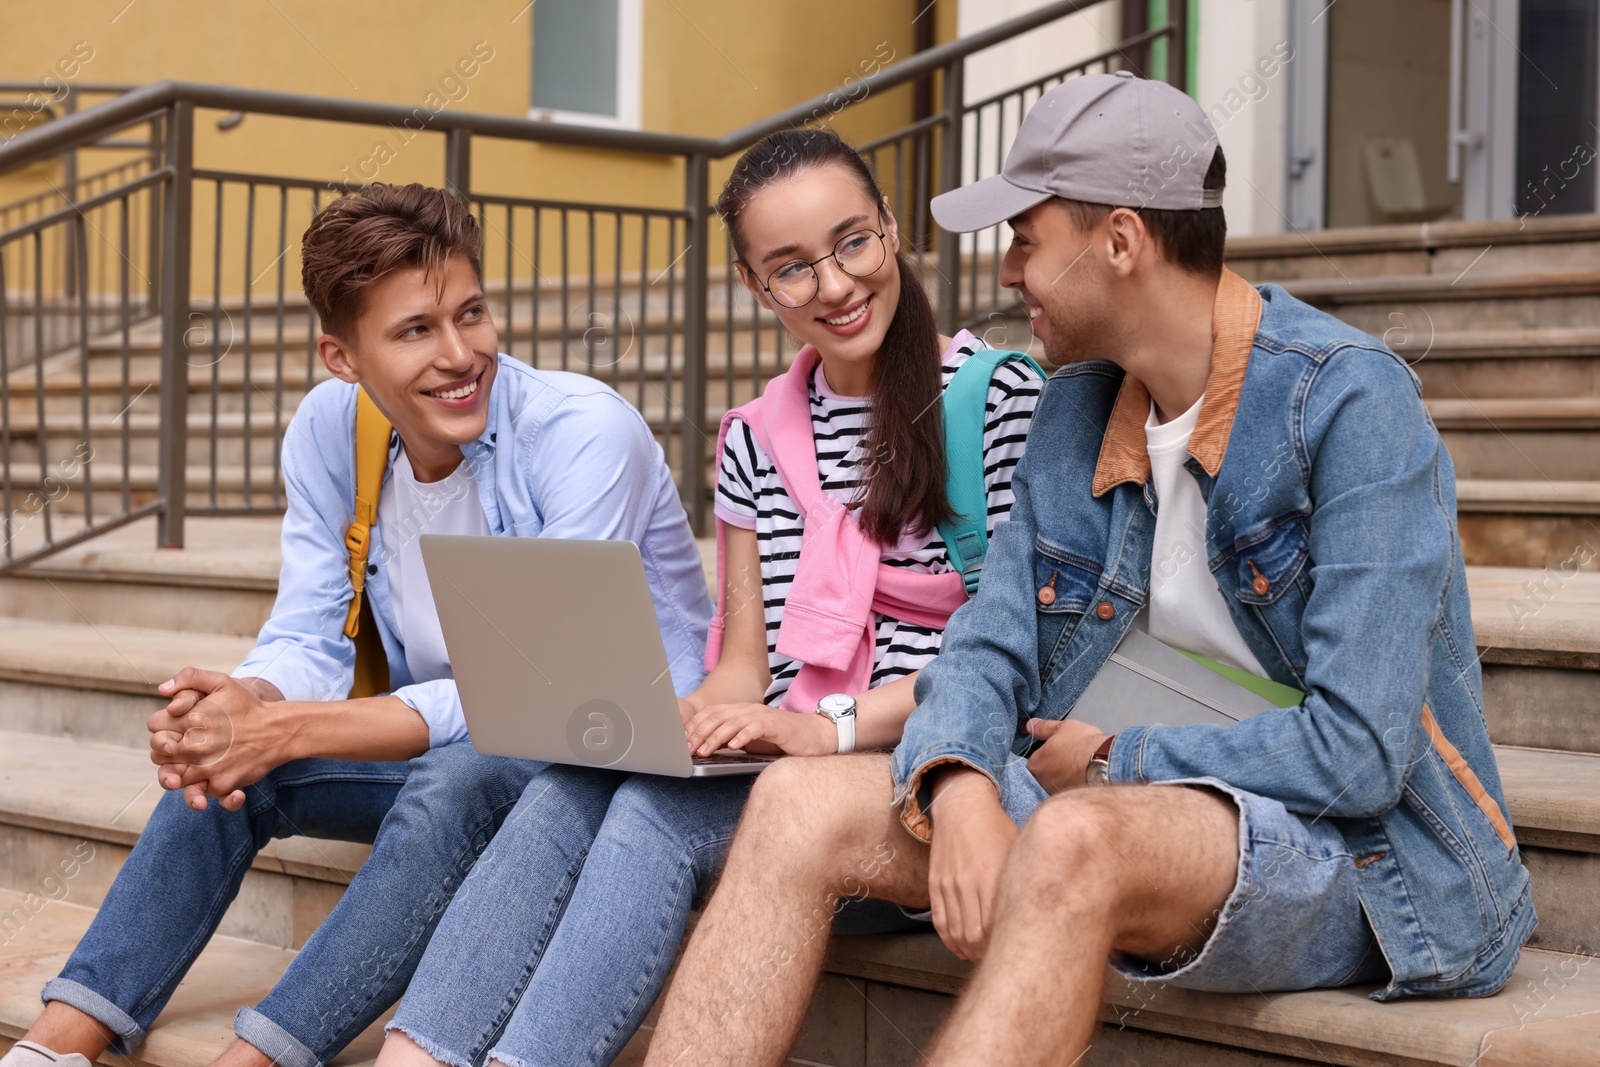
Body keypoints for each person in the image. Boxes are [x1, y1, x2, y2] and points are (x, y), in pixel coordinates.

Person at [642, 72, 1533, 1067]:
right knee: (795, 804)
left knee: (1076, 835)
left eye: (1026, 237)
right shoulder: (1079, 405)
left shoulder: (1350, 408)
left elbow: (1360, 752)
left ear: (1118, 242)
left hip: (1375, 862)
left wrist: (1119, 756)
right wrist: (958, 779)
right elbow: (985, 645)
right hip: (1128, 802)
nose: (1009, 268)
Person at [372, 127, 1043, 1067]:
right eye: (792, 269)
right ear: (755, 287)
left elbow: (1011, 663)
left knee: (648, 816)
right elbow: (743, 665)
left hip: (944, 775)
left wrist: (829, 729)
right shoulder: (753, 438)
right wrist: (664, 724)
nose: (837, 286)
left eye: (854, 242)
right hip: (790, 771)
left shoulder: (998, 400)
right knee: (583, 780)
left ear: (892, 229)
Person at [1, 183, 712, 1067]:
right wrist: (245, 703)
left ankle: (261, 1055)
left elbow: (545, 696)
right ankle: (59, 1038)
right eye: (416, 330)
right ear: (343, 355)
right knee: (230, 760)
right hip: (450, 736)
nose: (462, 354)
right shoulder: (331, 430)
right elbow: (307, 633)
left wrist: (287, 726)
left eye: (472, 313)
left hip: (597, 756)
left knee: (455, 776)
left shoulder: (578, 431)